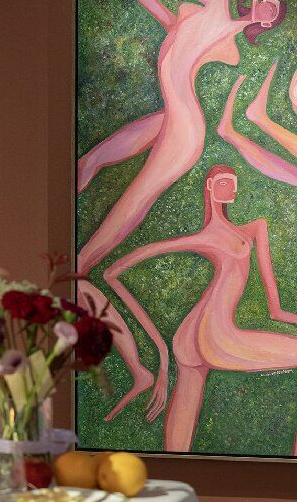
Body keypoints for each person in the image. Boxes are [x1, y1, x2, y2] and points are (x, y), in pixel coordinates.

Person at [76, 0, 287, 418]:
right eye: (270, 6)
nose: (271, 9)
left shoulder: (230, 46)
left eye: (273, 16)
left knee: (113, 230)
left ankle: (131, 356)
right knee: (87, 167)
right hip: (165, 121)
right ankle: (84, 278)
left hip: (183, 130)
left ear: (264, 23)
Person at [105, 165, 297, 452]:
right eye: (222, 183)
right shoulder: (203, 238)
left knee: (178, 443)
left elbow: (276, 311)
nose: (230, 188)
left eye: (233, 183)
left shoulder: (255, 229)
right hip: (215, 335)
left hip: (190, 339)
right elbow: (112, 273)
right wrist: (159, 349)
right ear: (209, 188)